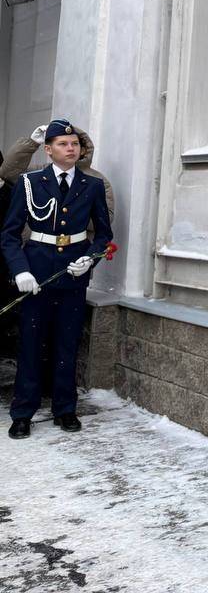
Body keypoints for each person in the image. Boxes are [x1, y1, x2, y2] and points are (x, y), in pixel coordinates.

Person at [2, 119, 114, 439]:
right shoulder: (29, 182)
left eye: (75, 144)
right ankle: (23, 412)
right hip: (36, 271)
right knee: (31, 345)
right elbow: (9, 235)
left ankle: (65, 409)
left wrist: (89, 260)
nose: (71, 149)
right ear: (48, 150)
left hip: (72, 275)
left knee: (67, 344)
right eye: (63, 145)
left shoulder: (91, 185)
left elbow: (103, 233)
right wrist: (20, 270)